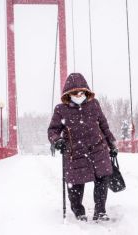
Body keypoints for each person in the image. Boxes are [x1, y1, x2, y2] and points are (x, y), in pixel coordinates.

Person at [48, 73, 118, 222]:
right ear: (68, 94)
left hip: (98, 150)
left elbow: (104, 126)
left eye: (82, 92)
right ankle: (79, 212)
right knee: (75, 186)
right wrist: (57, 140)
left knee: (102, 180)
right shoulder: (61, 109)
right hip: (74, 153)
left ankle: (100, 211)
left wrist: (112, 144)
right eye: (75, 92)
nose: (79, 95)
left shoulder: (94, 104)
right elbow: (53, 130)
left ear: (86, 91)